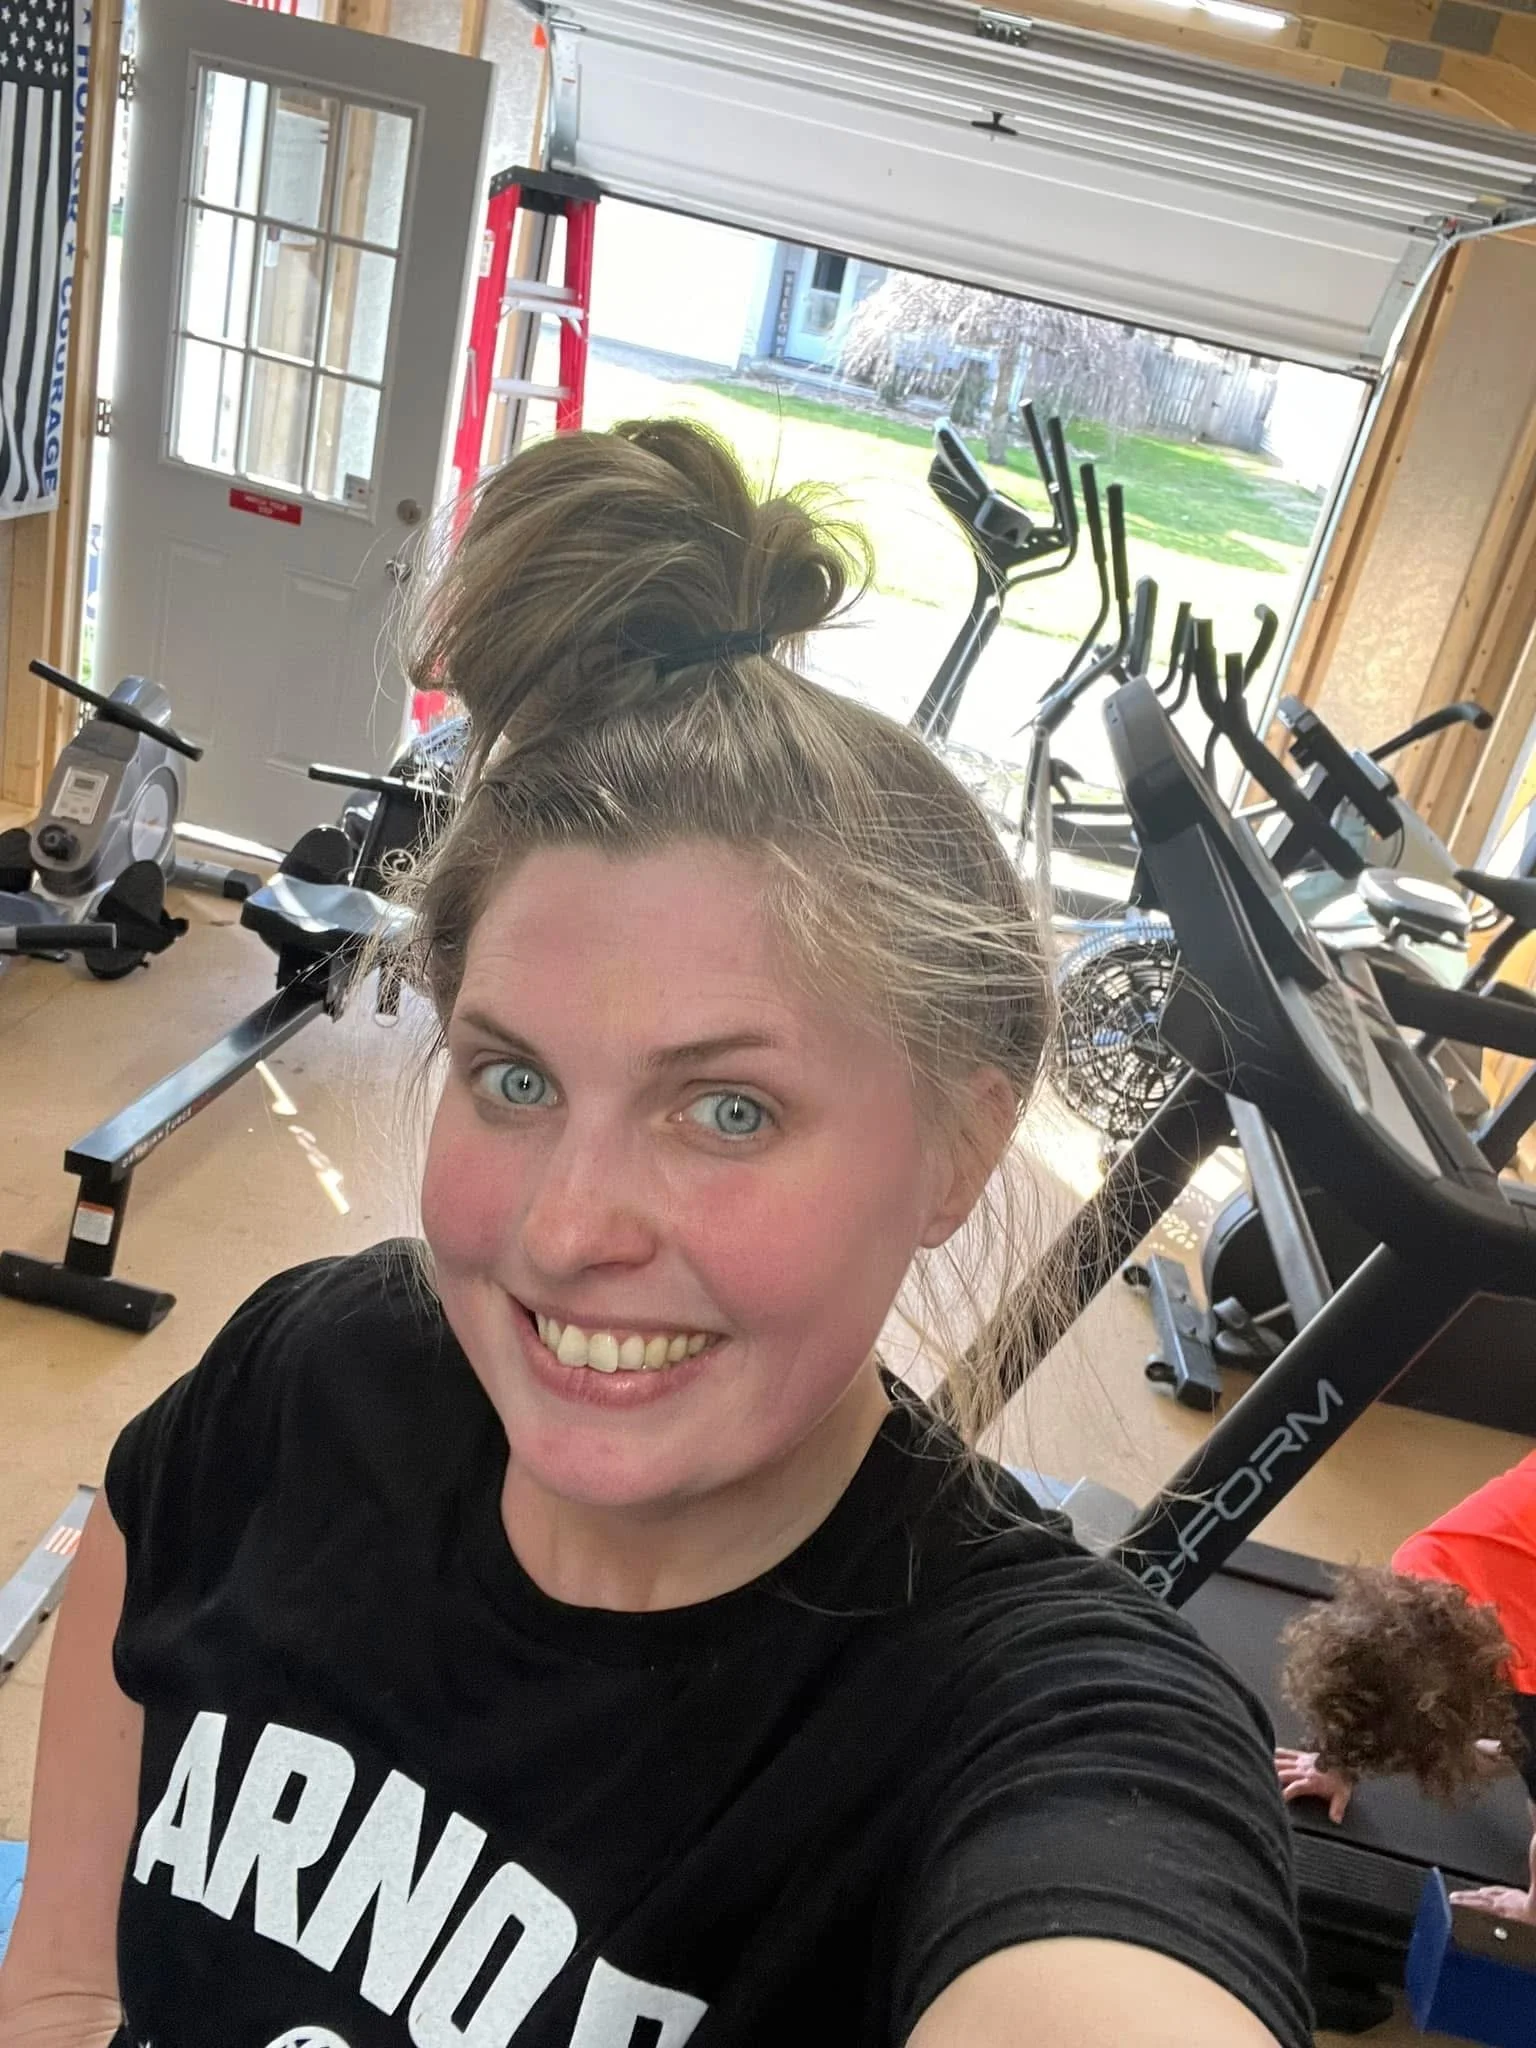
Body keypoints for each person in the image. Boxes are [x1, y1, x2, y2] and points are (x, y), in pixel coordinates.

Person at [0, 419, 1309, 2048]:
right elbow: (68, 1949)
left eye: (728, 1109)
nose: (564, 1229)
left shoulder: (1035, 1729)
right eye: (516, 1075)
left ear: (957, 1149)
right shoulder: (312, 1367)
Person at [1277, 1448, 1536, 1923]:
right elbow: (1370, 1675)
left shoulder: (1527, 1668)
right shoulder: (1417, 1567)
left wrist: (1532, 1907)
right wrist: (1336, 1762)